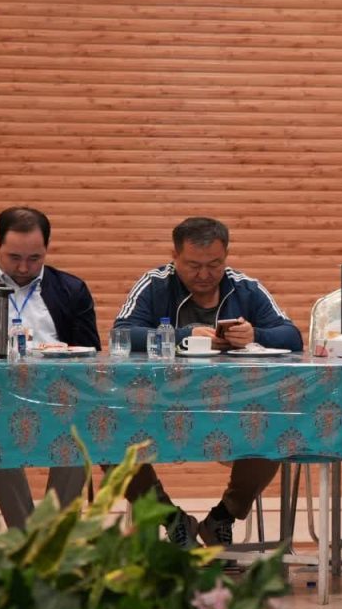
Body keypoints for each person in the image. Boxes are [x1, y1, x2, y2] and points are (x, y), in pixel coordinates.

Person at [114, 217, 302, 548]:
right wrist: (183, 335)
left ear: (226, 256)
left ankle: (223, 517)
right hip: (158, 407)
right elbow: (122, 333)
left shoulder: (245, 287)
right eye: (193, 265)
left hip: (237, 410)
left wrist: (255, 334)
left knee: (277, 429)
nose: (204, 274)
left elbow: (292, 336)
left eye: (214, 265)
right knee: (108, 439)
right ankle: (171, 519)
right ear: (174, 257)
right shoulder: (154, 284)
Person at [0, 207, 101, 529]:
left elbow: (92, 356)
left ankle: (53, 532)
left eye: (35, 258)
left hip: (61, 398)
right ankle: (23, 533)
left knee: (82, 432)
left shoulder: (71, 289)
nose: (24, 268)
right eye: (14, 257)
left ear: (47, 249)